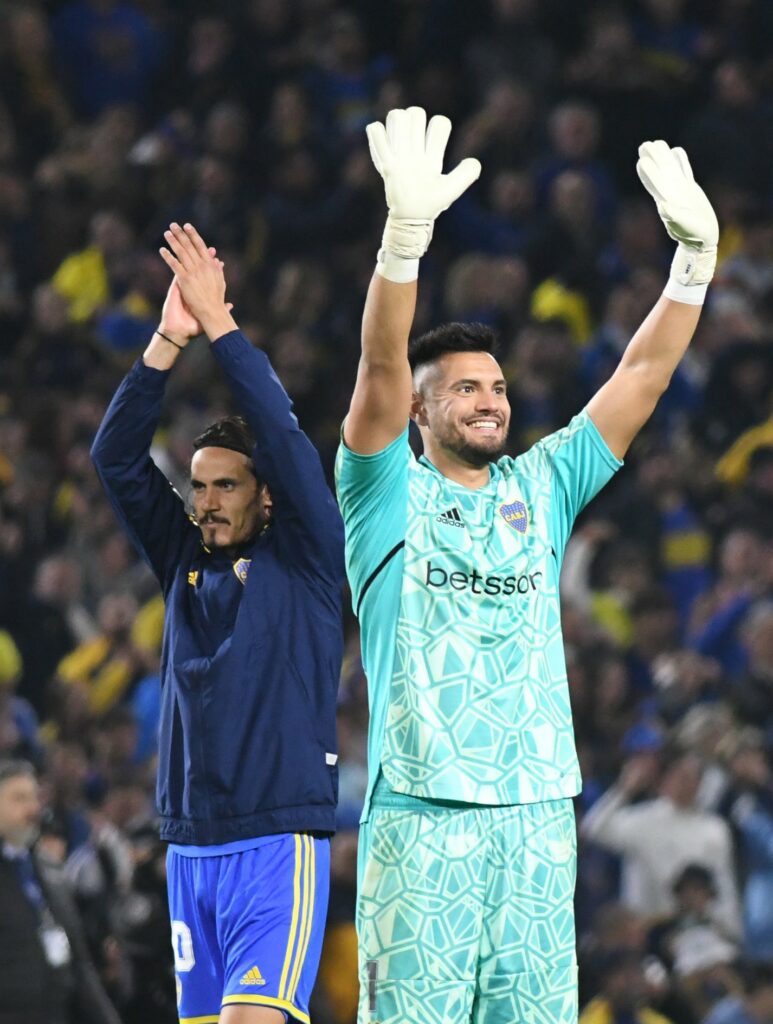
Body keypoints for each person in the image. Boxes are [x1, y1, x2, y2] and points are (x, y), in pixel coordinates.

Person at [335, 106, 720, 1024]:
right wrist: (402, 245)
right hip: (422, 815)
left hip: (540, 813)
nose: (490, 401)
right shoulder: (383, 492)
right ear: (420, 412)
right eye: (465, 387)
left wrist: (693, 266)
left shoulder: (540, 487)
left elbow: (639, 377)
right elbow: (380, 367)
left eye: (498, 387)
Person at [91, 223, 346, 1024]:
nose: (205, 502)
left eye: (226, 486)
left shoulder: (306, 555)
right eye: (198, 487)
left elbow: (282, 436)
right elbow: (115, 459)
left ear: (265, 495)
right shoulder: (183, 560)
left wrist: (221, 326)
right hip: (188, 847)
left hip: (274, 845)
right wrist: (168, 340)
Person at [0, 759, 122, 1024]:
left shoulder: (49, 870)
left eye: (34, 798)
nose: (32, 809)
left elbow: (80, 964)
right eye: (19, 798)